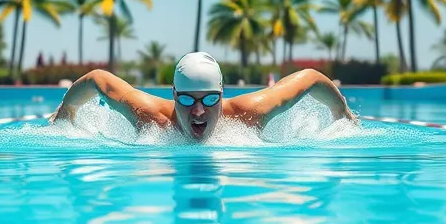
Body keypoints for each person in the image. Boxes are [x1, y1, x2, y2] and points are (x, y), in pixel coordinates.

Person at [49, 51, 354, 141]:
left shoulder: (250, 115)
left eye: (208, 100)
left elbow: (312, 78)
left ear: (221, 95)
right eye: (186, 99)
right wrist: (67, 112)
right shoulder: (152, 118)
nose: (197, 111)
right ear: (173, 94)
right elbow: (97, 79)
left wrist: (342, 115)